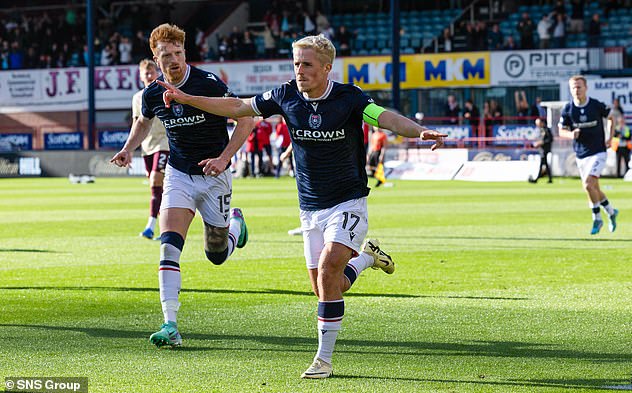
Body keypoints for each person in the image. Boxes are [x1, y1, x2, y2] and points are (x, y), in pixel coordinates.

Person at [156, 34, 446, 378]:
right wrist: (188, 98)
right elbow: (238, 107)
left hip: (348, 202)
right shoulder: (284, 95)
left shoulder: (349, 98)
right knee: (326, 287)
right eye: (296, 63)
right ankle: (367, 257)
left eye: (307, 64)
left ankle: (323, 360)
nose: (299, 70)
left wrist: (418, 131)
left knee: (327, 270)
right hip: (310, 207)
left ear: (326, 68)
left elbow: (384, 118)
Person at [110, 23, 253, 348]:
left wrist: (224, 158)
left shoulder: (208, 83)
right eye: (166, 55)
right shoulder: (151, 94)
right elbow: (143, 122)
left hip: (215, 177)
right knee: (169, 245)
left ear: (185, 52)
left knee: (216, 254)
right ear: (156, 59)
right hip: (179, 175)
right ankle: (170, 324)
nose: (174, 60)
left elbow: (246, 119)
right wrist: (127, 148)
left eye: (178, 53)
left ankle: (235, 226)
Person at [559, 75, 618, 235]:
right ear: (570, 90)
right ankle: (611, 212)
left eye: (579, 87)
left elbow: (612, 117)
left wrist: (610, 137)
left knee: (587, 184)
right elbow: (561, 130)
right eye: (573, 87)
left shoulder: (595, 105)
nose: (576, 90)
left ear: (586, 88)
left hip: (598, 151)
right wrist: (571, 135)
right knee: (593, 188)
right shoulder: (568, 109)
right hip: (581, 154)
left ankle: (597, 218)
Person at [133, 59, 170, 240]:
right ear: (140, 77)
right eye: (145, 73)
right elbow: (136, 123)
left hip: (164, 143)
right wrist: (130, 149)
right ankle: (166, 228)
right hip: (147, 146)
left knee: (156, 180)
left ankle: (150, 226)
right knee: (157, 188)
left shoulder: (164, 92)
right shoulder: (137, 98)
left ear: (157, 73)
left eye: (151, 72)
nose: (149, 75)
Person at [530, 118, 553, 183]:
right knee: (545, 164)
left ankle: (537, 179)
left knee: (542, 164)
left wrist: (542, 142)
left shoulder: (546, 130)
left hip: (545, 149)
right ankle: (550, 179)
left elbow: (550, 139)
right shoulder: (540, 130)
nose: (538, 125)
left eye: (538, 123)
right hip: (542, 149)